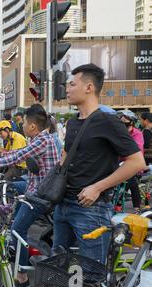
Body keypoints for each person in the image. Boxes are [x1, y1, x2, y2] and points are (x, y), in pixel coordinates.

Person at [53, 63, 145, 266]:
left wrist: (97, 187)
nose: (67, 89)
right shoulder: (72, 123)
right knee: (58, 270)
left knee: (93, 277)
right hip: (63, 204)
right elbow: (66, 158)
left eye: (72, 84)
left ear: (89, 87)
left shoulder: (108, 121)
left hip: (91, 209)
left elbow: (137, 162)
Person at [0, 104, 59, 286]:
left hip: (40, 196)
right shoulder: (39, 138)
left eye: (24, 123)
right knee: (9, 189)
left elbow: (20, 156)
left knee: (18, 230)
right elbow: (18, 152)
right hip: (33, 189)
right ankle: (9, 254)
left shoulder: (43, 140)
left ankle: (22, 275)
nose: (22, 126)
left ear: (33, 126)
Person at [118, 110, 144, 213]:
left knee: (131, 182)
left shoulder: (137, 134)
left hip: (134, 164)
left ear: (131, 122)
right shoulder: (118, 132)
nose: (123, 122)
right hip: (118, 163)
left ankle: (136, 207)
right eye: (121, 121)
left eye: (126, 121)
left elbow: (138, 149)